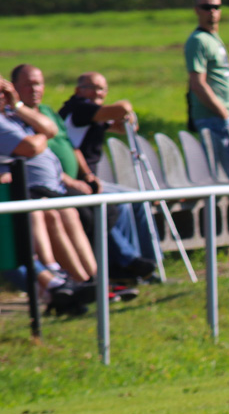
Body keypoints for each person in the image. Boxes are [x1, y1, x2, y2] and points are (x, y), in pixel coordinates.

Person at [55, 70, 158, 281]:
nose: (98, 92)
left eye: (102, 88)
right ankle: (128, 263)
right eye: (92, 87)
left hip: (91, 179)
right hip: (77, 180)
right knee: (122, 204)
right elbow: (122, 109)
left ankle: (148, 261)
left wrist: (127, 120)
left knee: (137, 199)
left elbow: (122, 127)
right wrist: (125, 108)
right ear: (78, 90)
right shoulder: (80, 108)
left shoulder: (94, 112)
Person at [0, 76, 99, 284]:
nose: (3, 97)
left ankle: (95, 280)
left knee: (71, 212)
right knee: (49, 214)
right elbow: (32, 147)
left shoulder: (13, 115)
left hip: (47, 187)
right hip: (25, 190)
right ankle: (70, 280)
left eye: (5, 92)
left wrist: (16, 104)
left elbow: (51, 128)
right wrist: (41, 137)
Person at [185, 0, 229, 179]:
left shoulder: (212, 38)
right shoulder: (198, 41)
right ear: (196, 10)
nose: (212, 12)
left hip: (225, 115)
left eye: (216, 7)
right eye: (207, 7)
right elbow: (197, 83)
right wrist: (222, 111)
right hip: (213, 117)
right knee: (225, 177)